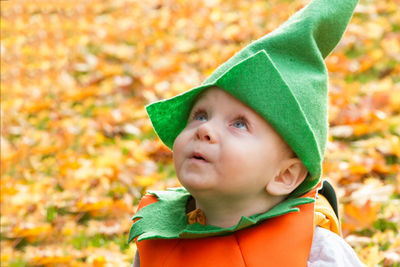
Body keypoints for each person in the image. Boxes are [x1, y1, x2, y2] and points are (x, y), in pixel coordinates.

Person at [129, 0, 365, 266]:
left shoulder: (315, 253)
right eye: (200, 115)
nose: (205, 129)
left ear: (284, 175)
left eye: (239, 124)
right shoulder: (158, 238)